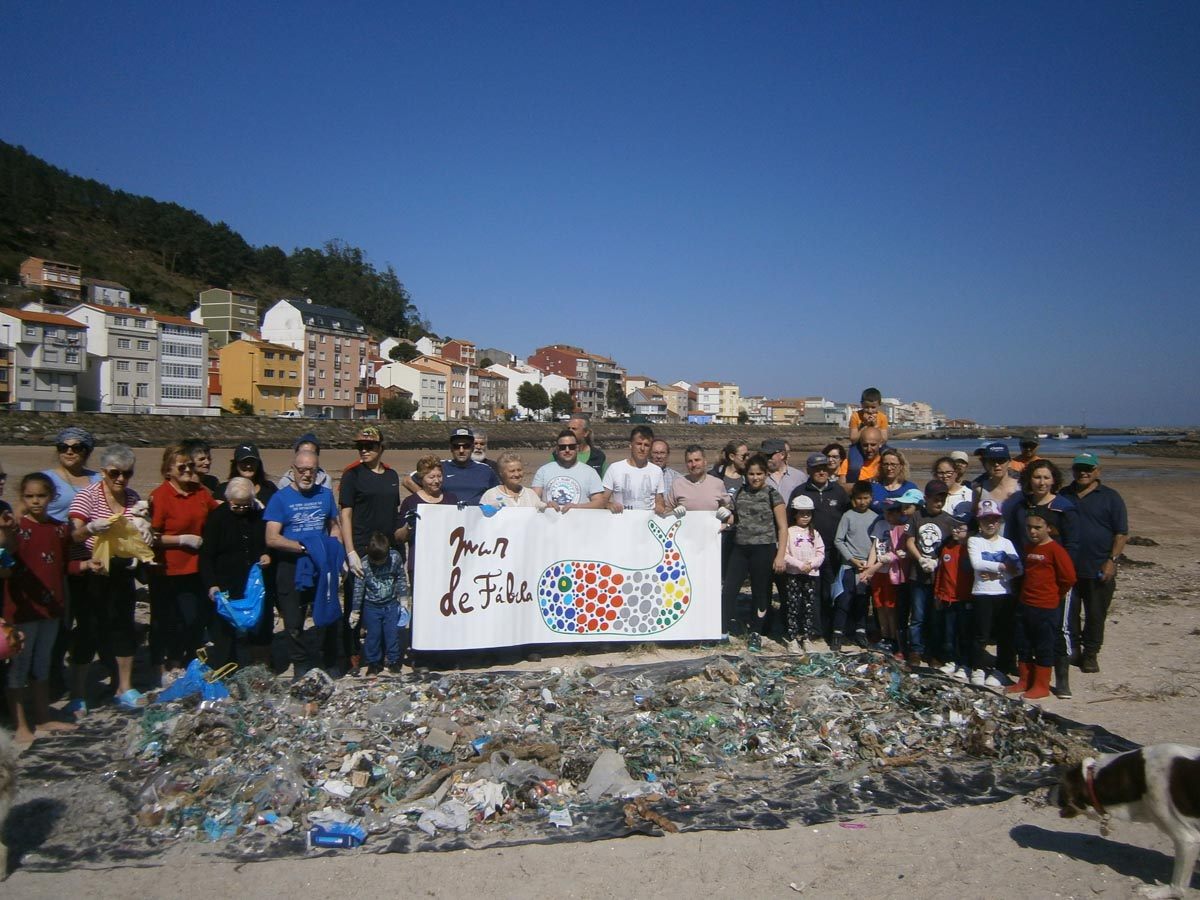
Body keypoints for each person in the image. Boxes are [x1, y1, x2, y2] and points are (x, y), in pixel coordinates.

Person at [68, 444, 146, 711]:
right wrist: (91, 528)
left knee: (123, 626)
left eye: (127, 473)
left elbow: (138, 529)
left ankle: (124, 687)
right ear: (103, 472)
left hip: (122, 570)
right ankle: (78, 693)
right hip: (92, 571)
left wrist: (145, 535)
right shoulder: (87, 496)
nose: (121, 479)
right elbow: (74, 535)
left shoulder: (133, 497)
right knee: (88, 629)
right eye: (115, 473)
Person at [3, 473, 79, 744]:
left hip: (52, 607)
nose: (36, 501)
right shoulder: (17, 529)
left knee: (42, 663)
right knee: (19, 666)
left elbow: (64, 564)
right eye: (29, 496)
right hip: (23, 609)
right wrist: (8, 529)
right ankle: (21, 724)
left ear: (52, 497)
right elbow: (7, 554)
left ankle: (43, 716)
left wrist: (86, 565)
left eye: (41, 496)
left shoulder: (59, 529)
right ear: (22, 498)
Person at [264, 448, 344, 679]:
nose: (307, 475)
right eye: (302, 470)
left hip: (321, 565)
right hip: (291, 566)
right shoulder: (280, 499)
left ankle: (329, 659)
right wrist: (303, 547)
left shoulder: (325, 495)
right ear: (293, 470)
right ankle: (300, 663)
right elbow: (271, 538)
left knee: (327, 613)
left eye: (312, 470)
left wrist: (337, 555)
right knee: (293, 620)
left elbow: (334, 527)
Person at [149, 444, 218, 678]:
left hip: (195, 568)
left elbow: (217, 511)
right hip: (167, 570)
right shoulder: (160, 496)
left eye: (190, 465)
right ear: (168, 470)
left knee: (193, 619)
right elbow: (151, 536)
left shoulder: (200, 492)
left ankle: (186, 662)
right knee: (165, 621)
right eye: (182, 467)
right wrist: (181, 540)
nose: (188, 470)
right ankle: (161, 667)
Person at [338, 425, 402, 669]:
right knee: (355, 602)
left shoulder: (391, 476)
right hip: (361, 547)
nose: (364, 450)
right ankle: (353, 652)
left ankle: (385, 652)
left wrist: (399, 549)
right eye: (360, 446)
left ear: (380, 447)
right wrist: (350, 551)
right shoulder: (352, 475)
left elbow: (394, 513)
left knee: (386, 602)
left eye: (369, 446)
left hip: (386, 550)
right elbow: (345, 515)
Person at [1059, 453, 1128, 674]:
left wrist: (1112, 561)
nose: (1083, 472)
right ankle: (1073, 650)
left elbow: (1121, 533)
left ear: (1098, 471)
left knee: (1096, 615)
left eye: (1088, 468)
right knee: (1068, 615)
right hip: (1068, 567)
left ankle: (1091, 654)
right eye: (1079, 468)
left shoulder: (1110, 497)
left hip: (1098, 567)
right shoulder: (1063, 495)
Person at [199, 477, 273, 670]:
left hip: (252, 580)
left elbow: (265, 541)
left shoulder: (258, 515)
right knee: (224, 631)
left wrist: (266, 554)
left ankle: (259, 667)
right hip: (225, 580)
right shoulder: (218, 517)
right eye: (236, 505)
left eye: (245, 505)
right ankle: (227, 669)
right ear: (228, 500)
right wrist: (211, 584)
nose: (241, 509)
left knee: (259, 623)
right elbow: (206, 555)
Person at [721, 453, 787, 650]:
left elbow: (783, 528)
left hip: (764, 549)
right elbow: (734, 517)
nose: (755, 477)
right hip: (740, 548)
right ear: (746, 475)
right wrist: (724, 519)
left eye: (759, 474)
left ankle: (756, 632)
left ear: (765, 474)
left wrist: (780, 555)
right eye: (751, 474)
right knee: (729, 589)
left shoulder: (772, 494)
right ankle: (722, 630)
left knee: (761, 592)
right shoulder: (739, 493)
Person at [1007, 512, 1076, 701]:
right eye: (1029, 527)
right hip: (1025, 603)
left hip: (1046, 606)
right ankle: (1024, 680)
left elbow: (1069, 578)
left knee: (1043, 645)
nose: (1032, 531)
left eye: (1037, 527)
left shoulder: (1056, 550)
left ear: (1049, 528)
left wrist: (1055, 594)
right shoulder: (1028, 547)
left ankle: (1041, 685)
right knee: (1023, 643)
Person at [791, 452, 850, 638]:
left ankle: (829, 628)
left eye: (824, 468)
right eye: (817, 469)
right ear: (808, 470)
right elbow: (790, 521)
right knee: (810, 592)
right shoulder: (800, 492)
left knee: (830, 591)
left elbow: (848, 516)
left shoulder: (839, 491)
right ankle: (812, 629)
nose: (821, 472)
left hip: (833, 551)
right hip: (806, 553)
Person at [966, 498, 1022, 687]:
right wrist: (1002, 567)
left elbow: (1018, 568)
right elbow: (977, 563)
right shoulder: (974, 541)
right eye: (985, 519)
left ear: (1000, 521)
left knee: (1004, 633)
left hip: (1004, 593)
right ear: (979, 521)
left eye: (994, 520)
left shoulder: (1006, 543)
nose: (990, 524)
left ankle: (1001, 670)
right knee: (981, 634)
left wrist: (997, 574)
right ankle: (978, 667)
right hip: (982, 592)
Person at [904, 480, 957, 666]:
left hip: (938, 577)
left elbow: (951, 547)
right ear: (926, 498)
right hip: (917, 575)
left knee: (935, 616)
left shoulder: (948, 520)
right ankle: (915, 650)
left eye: (942, 499)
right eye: (936, 499)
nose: (939, 502)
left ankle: (933, 651)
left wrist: (938, 561)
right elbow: (909, 541)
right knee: (917, 616)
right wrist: (920, 559)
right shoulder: (916, 517)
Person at [348, 531, 407, 675]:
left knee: (392, 634)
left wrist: (404, 600)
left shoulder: (395, 557)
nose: (378, 564)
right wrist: (355, 611)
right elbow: (358, 588)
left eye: (381, 561)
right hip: (371, 606)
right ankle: (373, 663)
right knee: (373, 636)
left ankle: (393, 661)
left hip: (391, 604)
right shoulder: (363, 564)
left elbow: (401, 577)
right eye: (375, 562)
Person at [831, 480, 879, 652]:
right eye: (859, 498)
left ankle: (860, 631)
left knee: (862, 600)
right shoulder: (848, 516)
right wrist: (851, 559)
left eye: (866, 498)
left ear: (871, 498)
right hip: (849, 566)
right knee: (844, 600)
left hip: (867, 567)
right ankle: (837, 632)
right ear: (853, 499)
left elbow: (877, 543)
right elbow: (838, 540)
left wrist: (870, 564)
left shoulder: (875, 517)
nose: (862, 502)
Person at [866, 494, 915, 657]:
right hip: (878, 572)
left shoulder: (902, 528)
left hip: (892, 572)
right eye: (886, 511)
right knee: (879, 605)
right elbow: (874, 547)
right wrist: (869, 567)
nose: (888, 515)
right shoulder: (880, 525)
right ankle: (884, 635)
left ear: (899, 512)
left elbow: (897, 553)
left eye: (892, 511)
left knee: (890, 606)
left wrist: (874, 567)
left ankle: (894, 638)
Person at [398, 456, 459, 585]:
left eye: (439, 476)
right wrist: (408, 526)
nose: (436, 481)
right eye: (431, 477)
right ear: (422, 478)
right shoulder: (411, 502)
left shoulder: (452, 499)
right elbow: (399, 537)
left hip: (447, 563)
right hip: (419, 564)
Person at [404, 428, 499, 506]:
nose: (461, 450)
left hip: (475, 519)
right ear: (451, 448)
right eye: (456, 446)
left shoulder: (486, 470)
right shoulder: (439, 466)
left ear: (472, 448)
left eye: (466, 446)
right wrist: (427, 499)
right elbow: (407, 481)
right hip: (445, 518)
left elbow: (498, 494)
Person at [782, 495, 824, 654]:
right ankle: (792, 638)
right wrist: (800, 565)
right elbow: (784, 553)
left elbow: (820, 552)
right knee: (793, 605)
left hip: (811, 574)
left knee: (809, 606)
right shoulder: (789, 532)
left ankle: (806, 637)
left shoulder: (815, 533)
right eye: (801, 513)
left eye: (808, 513)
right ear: (795, 514)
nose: (805, 516)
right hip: (793, 573)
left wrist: (811, 564)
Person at [932, 519, 973, 680]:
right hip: (947, 598)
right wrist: (937, 593)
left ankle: (965, 663)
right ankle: (951, 661)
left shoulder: (971, 549)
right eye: (953, 527)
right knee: (949, 633)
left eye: (960, 528)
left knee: (964, 633)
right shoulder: (947, 548)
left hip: (965, 598)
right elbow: (940, 573)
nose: (955, 530)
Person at [532, 430, 606, 512]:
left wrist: (577, 507)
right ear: (557, 449)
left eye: (571, 447)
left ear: (577, 448)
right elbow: (533, 500)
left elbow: (600, 502)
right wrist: (546, 505)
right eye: (562, 447)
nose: (567, 450)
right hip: (550, 519)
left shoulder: (590, 472)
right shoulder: (543, 471)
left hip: (580, 519)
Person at [601, 426, 667, 515]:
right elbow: (602, 499)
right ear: (631, 445)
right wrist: (609, 505)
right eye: (639, 444)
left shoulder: (657, 471)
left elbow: (659, 500)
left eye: (646, 445)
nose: (642, 448)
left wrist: (660, 507)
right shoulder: (615, 468)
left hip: (646, 521)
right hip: (621, 520)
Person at [43, 427, 102, 522]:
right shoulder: (44, 479)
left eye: (76, 448)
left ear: (86, 452)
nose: (69, 452)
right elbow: (22, 512)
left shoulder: (100, 479)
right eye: (63, 447)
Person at [667, 445, 729, 512]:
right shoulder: (677, 484)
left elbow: (728, 507)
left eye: (697, 460)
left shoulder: (718, 484)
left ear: (705, 461)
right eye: (690, 461)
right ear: (686, 464)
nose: (694, 464)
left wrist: (726, 510)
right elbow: (667, 510)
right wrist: (674, 512)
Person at [971, 442, 1020, 512]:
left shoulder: (1021, 486)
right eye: (992, 460)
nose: (996, 464)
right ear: (986, 463)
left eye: (1001, 460)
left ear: (1009, 463)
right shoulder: (979, 489)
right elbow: (974, 513)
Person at [870, 448, 917, 513]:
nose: (889, 468)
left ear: (901, 466)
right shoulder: (873, 487)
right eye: (886, 464)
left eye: (893, 464)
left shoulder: (910, 488)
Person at [932, 455, 973, 522]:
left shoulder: (969, 494)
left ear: (956, 472)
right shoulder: (931, 495)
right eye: (941, 473)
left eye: (949, 472)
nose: (945, 476)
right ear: (935, 475)